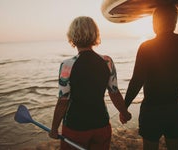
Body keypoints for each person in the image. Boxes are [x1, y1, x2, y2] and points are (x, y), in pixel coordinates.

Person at [123, 2, 178, 150]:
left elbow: (136, 80)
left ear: (155, 23)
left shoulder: (146, 47)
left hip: (152, 110)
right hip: (175, 108)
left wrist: (124, 107)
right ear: (175, 22)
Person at [48, 16, 131, 150]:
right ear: (95, 34)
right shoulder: (107, 61)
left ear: (72, 36)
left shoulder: (67, 65)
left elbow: (63, 100)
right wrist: (124, 113)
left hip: (75, 127)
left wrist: (54, 128)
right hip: (101, 125)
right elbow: (114, 93)